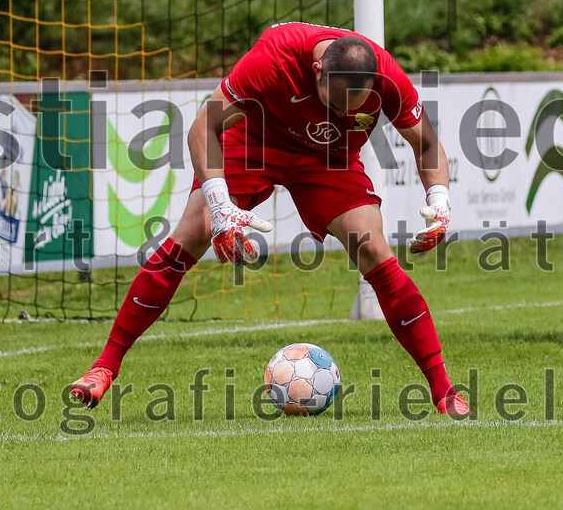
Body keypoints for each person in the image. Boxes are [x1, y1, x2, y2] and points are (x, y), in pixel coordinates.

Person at [68, 22, 468, 416]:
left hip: (328, 160)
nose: (344, 112)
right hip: (254, 141)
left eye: (355, 108)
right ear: (316, 73)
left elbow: (428, 144)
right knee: (192, 234)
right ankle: (104, 367)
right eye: (334, 103)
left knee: (375, 251)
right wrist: (221, 206)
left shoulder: (388, 78)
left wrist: (440, 199)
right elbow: (201, 129)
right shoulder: (275, 56)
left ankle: (444, 391)